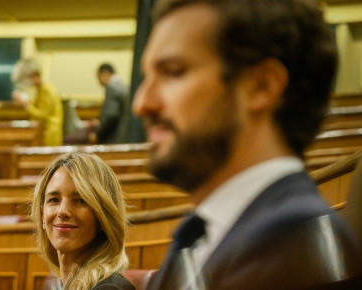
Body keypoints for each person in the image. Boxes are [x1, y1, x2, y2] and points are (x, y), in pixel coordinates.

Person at [132, 0, 362, 289]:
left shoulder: (298, 245)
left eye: (173, 71)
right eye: (146, 77)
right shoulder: (202, 235)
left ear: (261, 86)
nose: (142, 103)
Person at [30, 152, 135, 290]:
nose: (62, 211)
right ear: (42, 215)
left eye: (80, 201)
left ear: (103, 216)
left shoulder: (110, 288)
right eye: (54, 200)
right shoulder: (59, 284)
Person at [11, 58, 64, 146]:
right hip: (43, 132)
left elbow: (42, 115)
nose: (24, 83)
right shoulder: (40, 89)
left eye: (23, 78)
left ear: (33, 75)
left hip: (50, 135)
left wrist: (26, 105)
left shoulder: (47, 90)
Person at [91, 63, 131, 144]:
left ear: (105, 73)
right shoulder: (125, 86)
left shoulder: (112, 87)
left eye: (99, 78)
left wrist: (98, 134)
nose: (100, 83)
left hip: (114, 139)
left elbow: (111, 115)